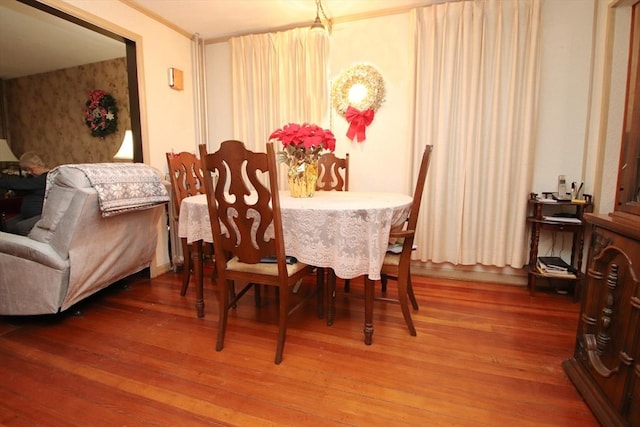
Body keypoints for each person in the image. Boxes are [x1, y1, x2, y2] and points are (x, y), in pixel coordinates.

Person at [0, 151, 49, 236]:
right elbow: (23, 188)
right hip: (26, 215)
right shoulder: (33, 177)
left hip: (40, 215)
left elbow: (21, 184)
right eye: (26, 170)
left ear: (38, 164)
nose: (28, 172)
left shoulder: (46, 177)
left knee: (20, 227)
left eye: (30, 169)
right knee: (6, 225)